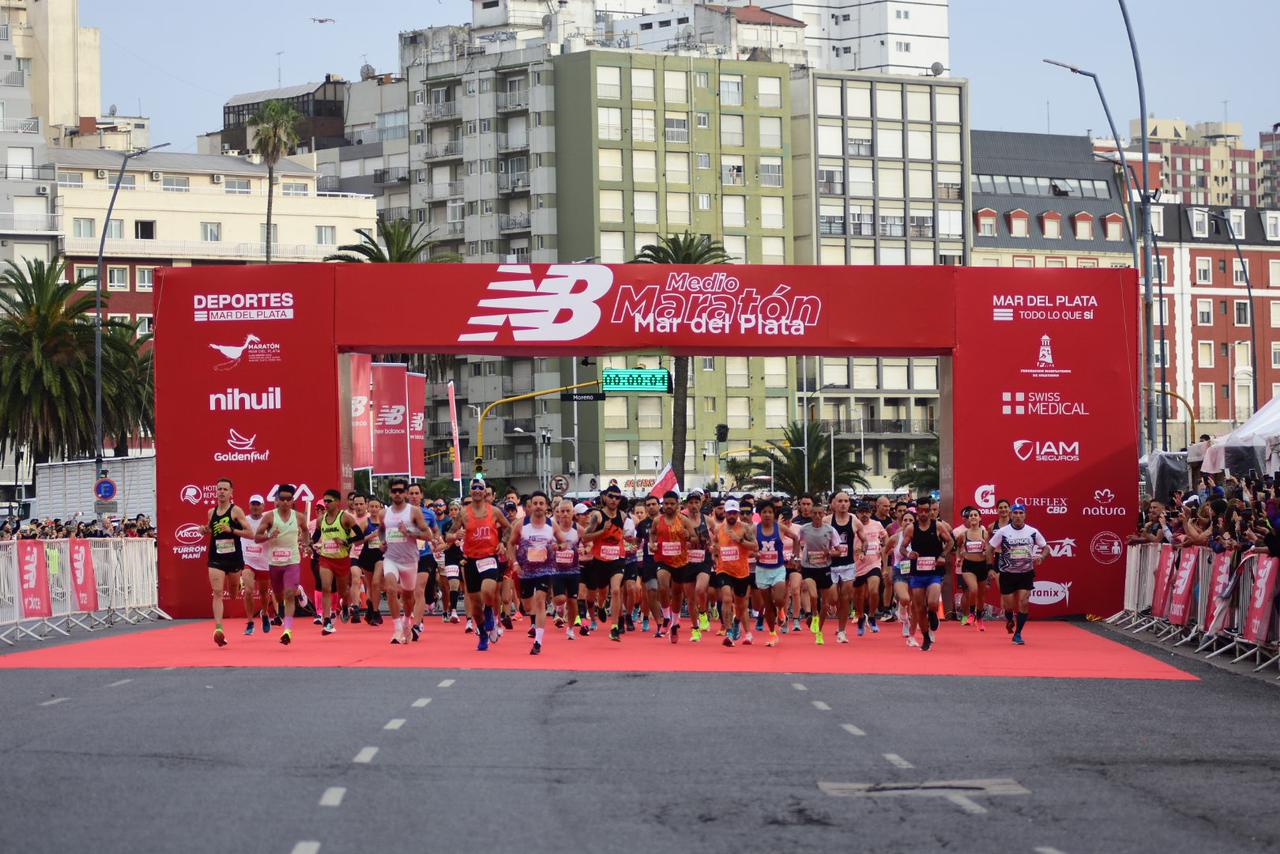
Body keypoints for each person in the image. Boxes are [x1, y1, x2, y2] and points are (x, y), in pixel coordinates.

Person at [452, 478, 513, 651]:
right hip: (471, 559)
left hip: (489, 557)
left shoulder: (494, 511)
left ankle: (490, 614)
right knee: (475, 606)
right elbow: (449, 534)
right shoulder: (463, 513)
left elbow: (508, 528)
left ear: (485, 492)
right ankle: (483, 634)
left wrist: (503, 542)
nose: (477, 490)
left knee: (488, 591)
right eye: (474, 488)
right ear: (470, 491)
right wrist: (456, 535)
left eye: (480, 488)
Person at [508, 491, 564, 655]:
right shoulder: (521, 524)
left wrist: (558, 547)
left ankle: (538, 641)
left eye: (541, 503)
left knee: (540, 601)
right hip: (525, 571)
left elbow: (564, 542)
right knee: (527, 605)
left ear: (547, 506)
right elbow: (510, 544)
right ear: (530, 506)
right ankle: (533, 621)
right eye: (535, 503)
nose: (538, 506)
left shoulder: (551, 525)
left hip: (545, 569)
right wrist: (515, 563)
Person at [253, 484, 308, 646]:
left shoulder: (299, 517)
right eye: (281, 499)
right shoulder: (269, 517)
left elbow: (305, 531)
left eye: (288, 499)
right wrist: (269, 535)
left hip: (292, 561)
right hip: (275, 562)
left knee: (289, 594)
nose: (284, 502)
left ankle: (288, 630)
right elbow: (257, 538)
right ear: (276, 500)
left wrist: (306, 544)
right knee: (278, 595)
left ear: (292, 500)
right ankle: (293, 598)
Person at [201, 478, 253, 647]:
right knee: (217, 592)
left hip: (234, 558)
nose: (221, 492)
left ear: (231, 493)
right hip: (216, 557)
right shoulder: (211, 512)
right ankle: (219, 629)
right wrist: (204, 530)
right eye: (219, 489)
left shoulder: (236, 511)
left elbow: (250, 533)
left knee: (232, 593)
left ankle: (237, 584)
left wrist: (231, 530)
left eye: (225, 489)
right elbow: (209, 529)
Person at [381, 478, 433, 645]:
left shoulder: (414, 512)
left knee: (408, 597)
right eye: (394, 490)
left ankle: (406, 622)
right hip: (390, 558)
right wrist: (382, 542)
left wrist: (409, 532)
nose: (397, 493)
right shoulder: (385, 513)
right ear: (390, 493)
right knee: (390, 588)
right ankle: (397, 628)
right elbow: (381, 530)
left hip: (410, 560)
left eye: (400, 491)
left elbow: (428, 535)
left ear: (404, 493)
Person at [988, 502, 1047, 645]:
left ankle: (1018, 633)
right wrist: (990, 568)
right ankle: (1009, 619)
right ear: (1011, 515)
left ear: (1025, 515)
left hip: (1025, 573)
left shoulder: (1032, 531)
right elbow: (989, 548)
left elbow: (1046, 547)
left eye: (1021, 513)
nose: (1018, 516)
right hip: (1007, 573)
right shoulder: (1003, 531)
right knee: (1008, 606)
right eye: (1015, 513)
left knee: (1024, 603)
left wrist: (1042, 557)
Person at [899, 495, 953, 651]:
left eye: (926, 511)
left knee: (932, 602)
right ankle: (926, 637)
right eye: (920, 511)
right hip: (917, 573)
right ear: (917, 511)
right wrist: (908, 554)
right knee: (919, 608)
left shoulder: (938, 526)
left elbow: (950, 542)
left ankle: (934, 614)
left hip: (934, 571)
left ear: (931, 511)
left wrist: (943, 555)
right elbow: (903, 547)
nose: (923, 514)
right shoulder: (911, 528)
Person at [581, 485, 632, 642]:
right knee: (601, 593)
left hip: (617, 559)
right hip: (600, 560)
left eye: (617, 497)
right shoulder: (598, 516)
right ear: (605, 497)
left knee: (616, 590)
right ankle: (601, 607)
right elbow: (585, 538)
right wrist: (603, 531)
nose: (614, 500)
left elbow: (627, 536)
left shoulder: (623, 516)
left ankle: (614, 627)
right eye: (611, 496)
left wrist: (631, 541)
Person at [754, 499, 799, 646]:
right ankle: (772, 633)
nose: (767, 515)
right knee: (767, 603)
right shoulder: (755, 530)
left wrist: (795, 556)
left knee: (779, 598)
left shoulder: (779, 527)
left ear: (774, 514)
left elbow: (796, 538)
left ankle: (781, 610)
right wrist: (754, 553)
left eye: (770, 512)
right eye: (764, 512)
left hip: (778, 569)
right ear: (759, 514)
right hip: (762, 570)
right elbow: (749, 546)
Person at [314, 489, 358, 636]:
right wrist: (309, 543)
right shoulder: (321, 520)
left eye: (329, 501)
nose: (326, 504)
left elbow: (360, 535)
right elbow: (315, 537)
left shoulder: (346, 518)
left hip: (342, 559)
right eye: (324, 501)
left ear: (338, 502)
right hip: (326, 558)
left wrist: (346, 541)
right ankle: (326, 620)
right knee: (326, 588)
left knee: (343, 591)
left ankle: (345, 605)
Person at [714, 499, 758, 646]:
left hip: (741, 571)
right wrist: (714, 553)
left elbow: (755, 547)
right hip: (723, 569)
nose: (732, 515)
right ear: (725, 513)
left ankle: (737, 622)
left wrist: (739, 540)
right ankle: (729, 632)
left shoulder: (745, 528)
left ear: (738, 513)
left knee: (741, 605)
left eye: (734, 513)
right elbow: (714, 543)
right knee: (726, 598)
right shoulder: (718, 528)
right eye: (729, 513)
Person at [798, 503, 841, 645]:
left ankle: (819, 632)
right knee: (814, 595)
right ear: (810, 514)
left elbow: (839, 551)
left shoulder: (830, 530)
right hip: (808, 567)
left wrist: (830, 553)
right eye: (814, 513)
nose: (817, 516)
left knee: (826, 605)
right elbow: (796, 542)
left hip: (824, 568)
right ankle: (814, 616)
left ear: (824, 514)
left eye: (820, 513)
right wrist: (796, 557)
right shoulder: (804, 529)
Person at [407, 484, 441, 642]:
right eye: (411, 493)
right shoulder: (401, 514)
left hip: (425, 556)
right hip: (407, 557)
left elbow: (435, 531)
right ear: (407, 495)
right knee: (409, 592)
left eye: (416, 493)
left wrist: (436, 540)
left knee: (419, 590)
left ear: (421, 495)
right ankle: (416, 617)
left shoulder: (429, 514)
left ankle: (416, 624)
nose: (414, 496)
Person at [827, 491, 862, 644]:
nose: (843, 504)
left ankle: (842, 631)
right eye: (840, 501)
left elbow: (865, 539)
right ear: (833, 503)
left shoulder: (854, 520)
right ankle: (827, 611)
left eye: (846, 501)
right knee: (834, 599)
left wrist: (863, 550)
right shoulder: (827, 521)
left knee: (846, 598)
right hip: (831, 565)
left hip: (848, 565)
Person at [240, 494, 274, 636]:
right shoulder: (243, 521)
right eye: (253, 504)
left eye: (258, 504)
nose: (255, 507)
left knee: (264, 593)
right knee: (248, 591)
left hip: (264, 562)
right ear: (249, 506)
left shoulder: (268, 521)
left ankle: (265, 614)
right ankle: (250, 622)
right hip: (248, 561)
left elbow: (276, 536)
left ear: (263, 506)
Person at [551, 499, 584, 641]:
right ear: (558, 513)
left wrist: (586, 548)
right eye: (561, 511)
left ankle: (570, 629)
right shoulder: (553, 529)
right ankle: (558, 608)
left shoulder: (578, 529)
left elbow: (589, 543)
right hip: (557, 570)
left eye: (567, 511)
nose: (564, 514)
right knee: (560, 599)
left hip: (573, 571)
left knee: (572, 601)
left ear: (573, 513)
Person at [853, 501, 885, 636]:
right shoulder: (853, 525)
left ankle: (872, 616)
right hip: (857, 566)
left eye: (867, 512)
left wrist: (884, 548)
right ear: (857, 513)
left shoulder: (877, 525)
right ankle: (861, 617)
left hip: (874, 563)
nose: (864, 515)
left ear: (871, 513)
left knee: (873, 590)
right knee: (859, 597)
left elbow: (885, 538)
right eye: (862, 512)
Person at [353, 495, 386, 626]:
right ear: (368, 507)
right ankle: (371, 610)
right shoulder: (364, 523)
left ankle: (376, 612)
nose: (374, 509)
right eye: (371, 506)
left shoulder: (386, 523)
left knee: (376, 583)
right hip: (367, 556)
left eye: (376, 507)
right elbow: (356, 542)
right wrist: (370, 536)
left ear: (380, 508)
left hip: (381, 556)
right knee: (370, 585)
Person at [956, 506, 991, 630]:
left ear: (980, 518)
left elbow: (989, 550)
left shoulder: (985, 533)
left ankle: (980, 618)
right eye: (971, 515)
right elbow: (957, 548)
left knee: (981, 595)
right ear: (968, 519)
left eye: (975, 515)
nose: (973, 517)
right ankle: (971, 613)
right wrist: (959, 558)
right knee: (973, 589)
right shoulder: (963, 534)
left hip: (981, 566)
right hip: (968, 566)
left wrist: (985, 550)